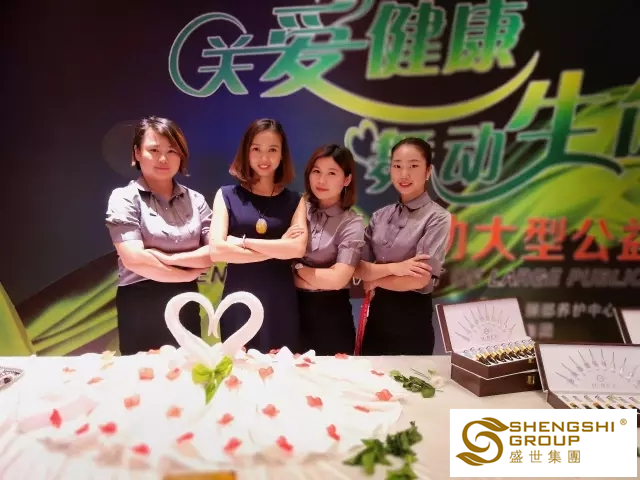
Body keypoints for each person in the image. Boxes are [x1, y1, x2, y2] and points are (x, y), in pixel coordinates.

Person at [105, 116, 212, 355]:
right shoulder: (124, 197)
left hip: (186, 301)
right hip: (140, 303)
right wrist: (188, 272)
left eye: (172, 151)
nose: (163, 159)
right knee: (142, 374)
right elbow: (134, 259)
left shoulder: (196, 200)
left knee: (189, 370)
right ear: (137, 153)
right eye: (154, 150)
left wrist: (168, 259)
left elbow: (212, 253)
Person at [209, 118, 307, 354]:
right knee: (238, 369)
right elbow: (217, 251)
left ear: (282, 155)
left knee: (281, 368)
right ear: (246, 152)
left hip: (279, 301)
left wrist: (243, 242)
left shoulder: (295, 200)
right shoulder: (226, 195)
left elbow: (296, 249)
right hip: (238, 299)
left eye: (272, 150)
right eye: (256, 149)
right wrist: (279, 247)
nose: (264, 158)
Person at [355, 137, 451, 355]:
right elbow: (358, 268)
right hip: (376, 319)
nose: (404, 174)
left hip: (412, 321)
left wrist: (375, 278)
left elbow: (419, 279)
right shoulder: (380, 216)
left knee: (411, 377)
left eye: (413, 166)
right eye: (397, 166)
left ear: (428, 171)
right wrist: (396, 268)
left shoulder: (437, 217)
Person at [292, 145, 364, 355]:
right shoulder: (296, 207)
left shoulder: (351, 222)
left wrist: (297, 269)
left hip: (331, 317)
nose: (321, 180)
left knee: (332, 374)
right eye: (316, 171)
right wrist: (319, 278)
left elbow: (337, 280)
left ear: (346, 180)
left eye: (331, 173)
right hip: (290, 310)